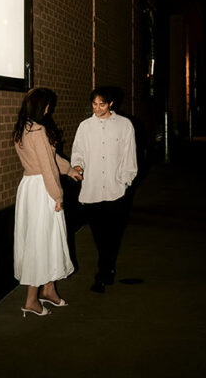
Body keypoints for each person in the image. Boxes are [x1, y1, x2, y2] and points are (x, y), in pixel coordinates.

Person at [13, 87, 83, 316]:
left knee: (44, 239)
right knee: (41, 241)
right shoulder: (39, 130)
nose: (49, 109)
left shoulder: (25, 128)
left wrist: (69, 169)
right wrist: (58, 196)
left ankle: (49, 289)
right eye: (47, 105)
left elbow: (50, 159)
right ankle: (31, 300)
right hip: (42, 188)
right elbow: (47, 167)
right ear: (41, 106)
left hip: (30, 186)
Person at [71, 86, 137, 293]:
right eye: (94, 104)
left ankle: (104, 272)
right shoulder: (85, 127)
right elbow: (78, 151)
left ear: (111, 104)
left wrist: (126, 180)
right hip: (92, 191)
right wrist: (78, 165)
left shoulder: (124, 126)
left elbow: (130, 155)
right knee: (99, 236)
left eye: (101, 104)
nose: (97, 108)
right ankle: (105, 269)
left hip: (116, 190)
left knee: (114, 234)